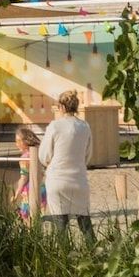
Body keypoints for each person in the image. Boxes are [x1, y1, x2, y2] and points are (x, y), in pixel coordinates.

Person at [35, 93, 94, 240]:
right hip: (79, 179)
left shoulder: (55, 126)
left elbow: (44, 155)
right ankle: (96, 256)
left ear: (61, 107)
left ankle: (62, 258)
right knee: (86, 226)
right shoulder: (85, 126)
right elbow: (88, 154)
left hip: (57, 179)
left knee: (60, 227)